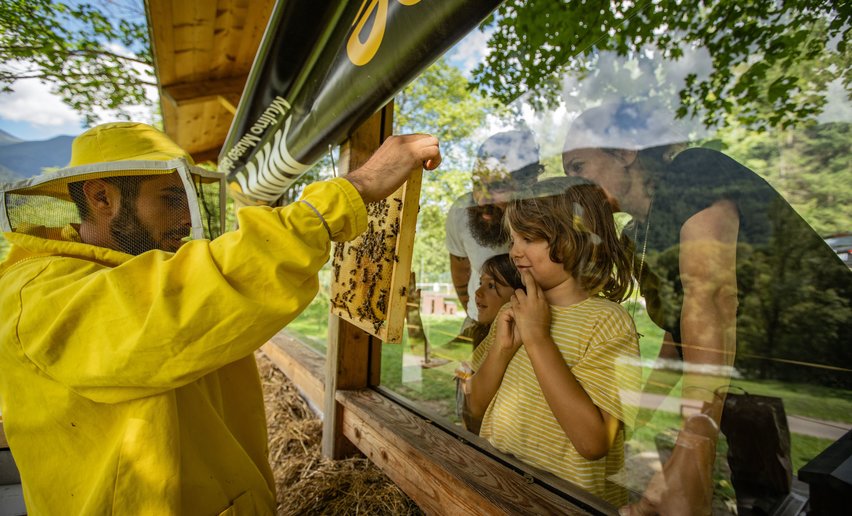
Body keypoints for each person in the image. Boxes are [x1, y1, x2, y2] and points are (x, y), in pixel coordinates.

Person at [0, 122, 441, 515]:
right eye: (172, 199)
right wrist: (352, 191)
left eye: (189, 200)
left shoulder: (140, 273)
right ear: (101, 198)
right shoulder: (38, 294)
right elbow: (180, 305)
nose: (186, 219)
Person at [561, 101, 852, 515]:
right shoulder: (636, 234)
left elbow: (711, 296)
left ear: (624, 151)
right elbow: (677, 335)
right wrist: (637, 419)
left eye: (577, 166)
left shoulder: (692, 171)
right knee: (767, 501)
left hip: (834, 377)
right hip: (749, 391)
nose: (573, 185)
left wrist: (694, 448)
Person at [463, 178, 641, 506]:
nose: (515, 251)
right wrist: (503, 348)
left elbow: (594, 442)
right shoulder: (514, 308)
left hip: (564, 504)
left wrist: (537, 339)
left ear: (577, 239)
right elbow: (474, 408)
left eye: (529, 238)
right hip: (500, 487)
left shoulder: (608, 322)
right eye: (514, 238)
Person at [445, 129, 542, 342]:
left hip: (538, 332)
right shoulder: (461, 211)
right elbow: (460, 270)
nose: (481, 200)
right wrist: (479, 316)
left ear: (529, 182)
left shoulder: (550, 216)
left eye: (497, 186)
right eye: (477, 184)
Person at [456, 253, 523, 433]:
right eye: (481, 283)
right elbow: (426, 359)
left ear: (518, 296)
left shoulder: (521, 347)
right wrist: (413, 314)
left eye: (492, 285)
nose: (478, 292)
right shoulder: (472, 333)